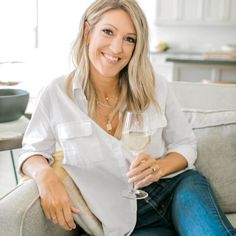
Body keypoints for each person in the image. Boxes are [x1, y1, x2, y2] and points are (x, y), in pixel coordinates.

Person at [19, 0, 236, 235]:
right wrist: (44, 175)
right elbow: (32, 150)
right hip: (124, 220)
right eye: (108, 32)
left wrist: (160, 167)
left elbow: (185, 144)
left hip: (178, 188)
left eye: (129, 39)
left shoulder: (155, 87)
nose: (116, 48)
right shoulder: (57, 93)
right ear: (87, 32)